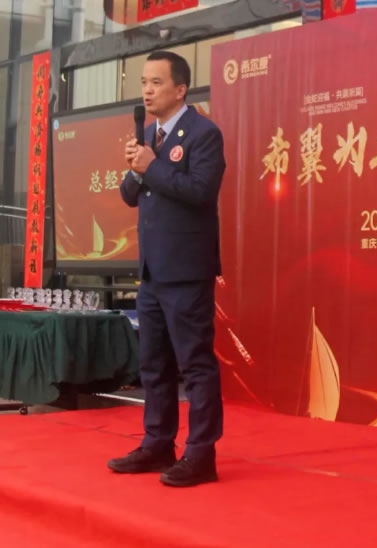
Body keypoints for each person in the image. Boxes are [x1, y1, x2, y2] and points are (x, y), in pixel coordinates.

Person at [108, 51, 226, 487]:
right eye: (144, 82)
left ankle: (201, 454)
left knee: (194, 363)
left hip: (187, 270)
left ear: (180, 89)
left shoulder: (203, 133)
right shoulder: (149, 136)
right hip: (152, 271)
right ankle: (158, 443)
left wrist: (151, 166)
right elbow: (129, 195)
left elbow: (201, 190)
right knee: (153, 363)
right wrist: (137, 167)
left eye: (156, 83)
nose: (147, 90)